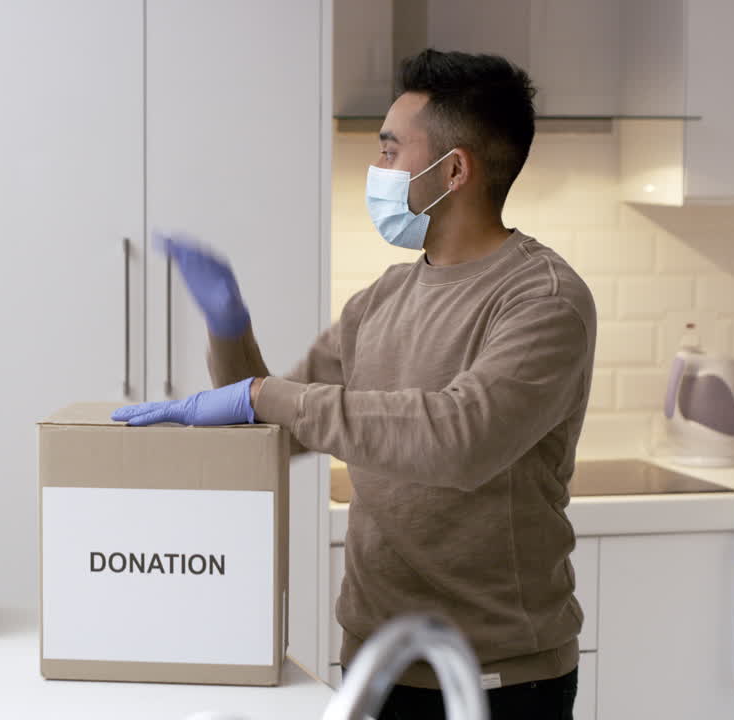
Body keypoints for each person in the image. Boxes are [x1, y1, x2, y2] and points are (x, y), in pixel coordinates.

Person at [115, 50, 593, 719]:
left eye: (391, 151)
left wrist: (262, 394)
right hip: (374, 662)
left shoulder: (542, 299)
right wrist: (229, 329)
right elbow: (278, 430)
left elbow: (461, 440)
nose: (379, 168)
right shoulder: (382, 299)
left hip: (499, 680)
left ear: (454, 170)